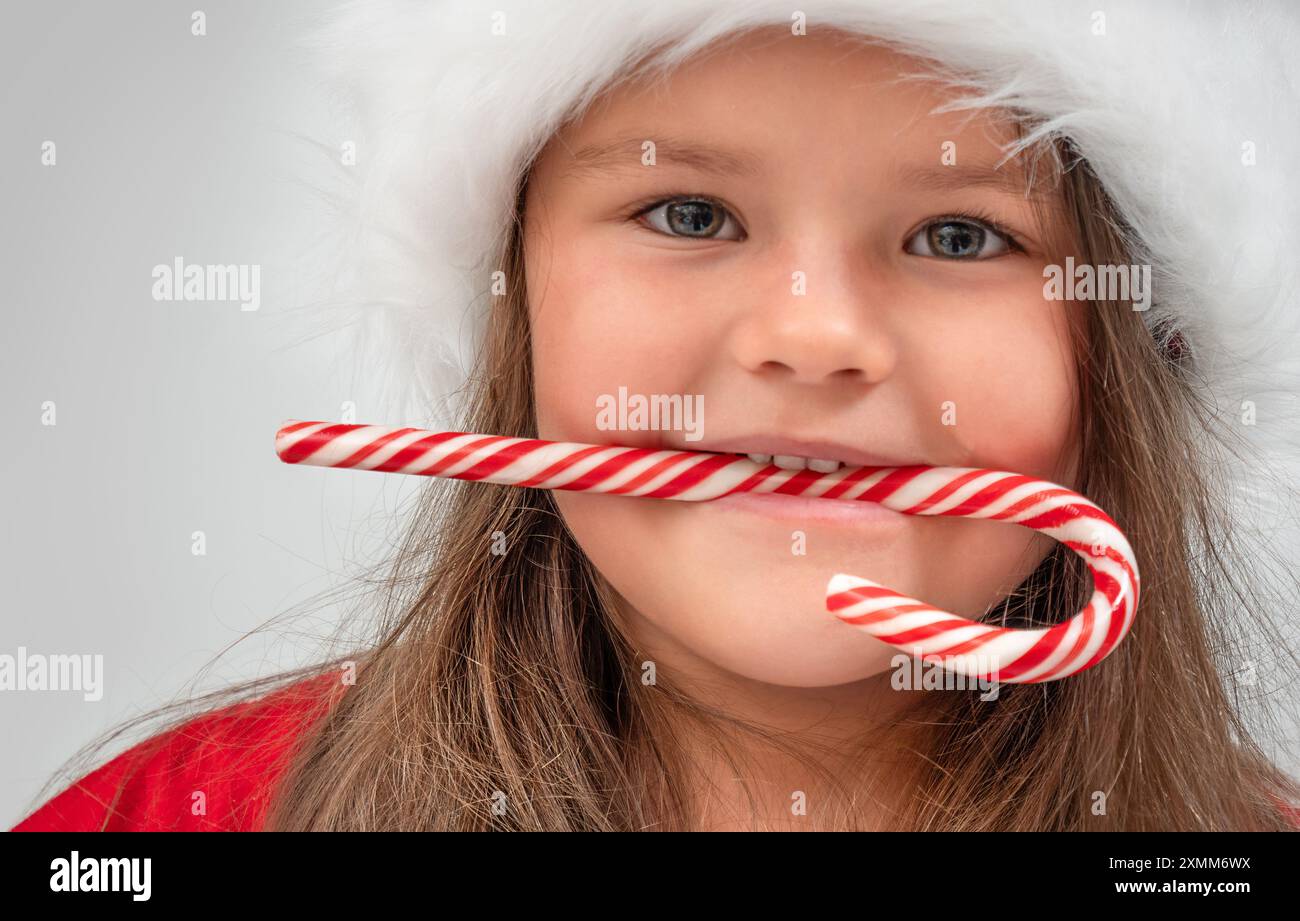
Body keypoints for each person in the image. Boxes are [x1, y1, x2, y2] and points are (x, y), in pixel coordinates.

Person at [15, 0, 1300, 831]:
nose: (811, 336)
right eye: (689, 215)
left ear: (1131, 355)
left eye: (959, 235)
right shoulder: (160, 827)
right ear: (515, 304)